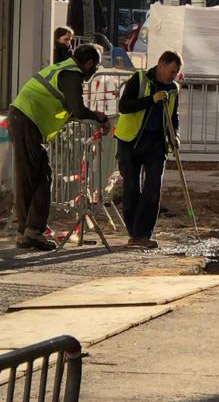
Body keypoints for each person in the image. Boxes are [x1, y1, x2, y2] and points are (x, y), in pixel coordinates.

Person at [9, 44, 109, 251]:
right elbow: (78, 110)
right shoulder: (71, 74)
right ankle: (25, 232)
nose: (94, 71)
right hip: (27, 122)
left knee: (42, 178)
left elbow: (67, 107)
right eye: (96, 66)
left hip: (27, 122)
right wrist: (98, 116)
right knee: (29, 179)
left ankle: (32, 231)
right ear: (89, 63)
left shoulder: (62, 70)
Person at [115, 51, 182, 249]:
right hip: (130, 140)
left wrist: (175, 135)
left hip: (156, 143)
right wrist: (150, 100)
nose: (173, 76)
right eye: (171, 71)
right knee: (131, 187)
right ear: (160, 66)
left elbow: (174, 116)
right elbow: (124, 106)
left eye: (176, 73)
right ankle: (134, 233)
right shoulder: (140, 79)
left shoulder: (173, 89)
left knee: (153, 186)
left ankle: (144, 234)